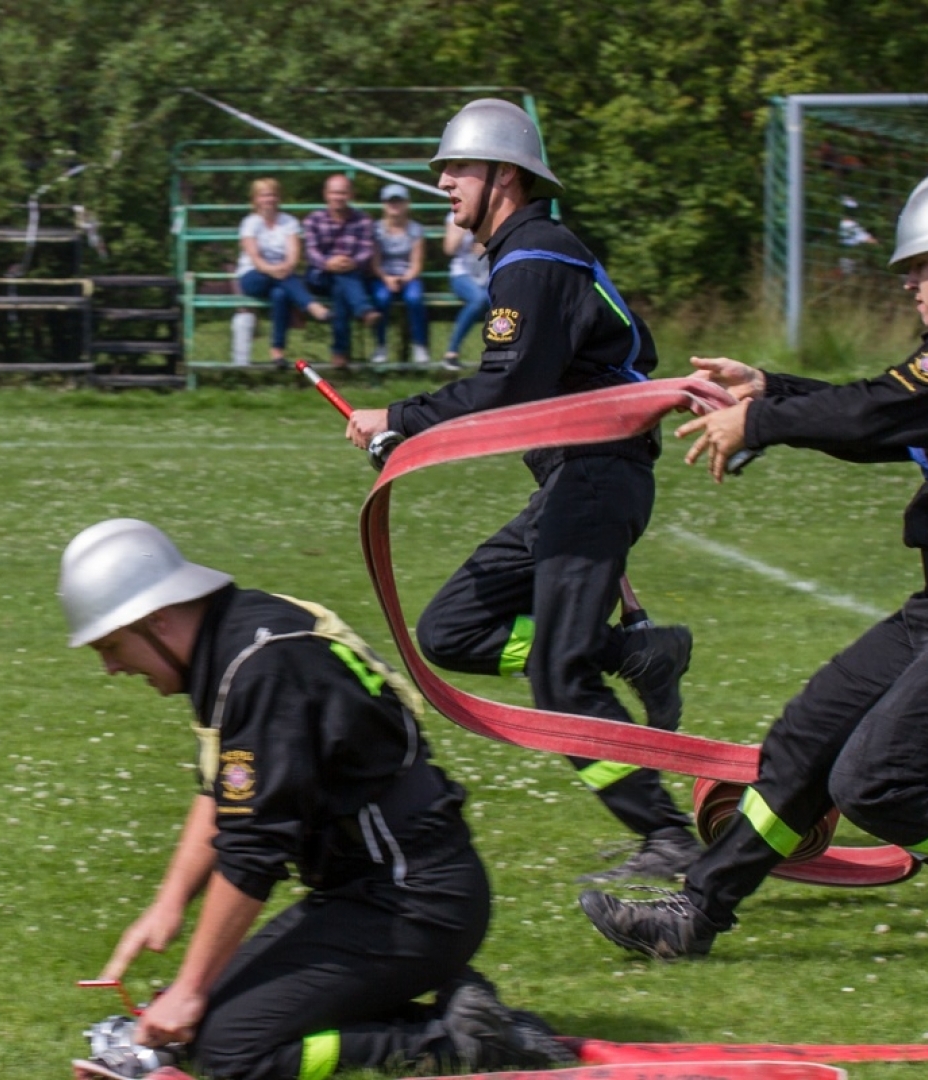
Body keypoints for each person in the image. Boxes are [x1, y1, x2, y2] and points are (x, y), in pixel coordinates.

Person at [580, 168, 928, 980]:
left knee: (877, 781)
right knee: (806, 739)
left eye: (916, 270)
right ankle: (695, 912)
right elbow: (888, 413)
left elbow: (874, 415)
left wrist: (762, 417)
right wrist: (775, 390)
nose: (908, 288)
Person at [59, 519, 570, 1080]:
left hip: (415, 903)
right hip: (376, 894)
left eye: (112, 645)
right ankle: (460, 1010)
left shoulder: (263, 669)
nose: (111, 667)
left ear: (156, 619)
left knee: (231, 1050)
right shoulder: (238, 635)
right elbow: (222, 789)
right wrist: (170, 903)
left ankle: (454, 1042)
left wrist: (190, 989)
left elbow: (253, 850)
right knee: (204, 1019)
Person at [345, 98, 700, 885]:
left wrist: (401, 419)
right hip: (576, 481)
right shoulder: (528, 255)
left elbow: (511, 388)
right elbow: (543, 398)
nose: (441, 182)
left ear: (504, 175)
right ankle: (633, 652)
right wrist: (412, 435)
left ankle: (668, 838)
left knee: (557, 676)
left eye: (457, 167)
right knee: (451, 631)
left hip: (598, 477)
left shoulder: (535, 255)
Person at [234, 178, 330, 368]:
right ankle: (311, 305)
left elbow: (293, 256)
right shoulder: (249, 223)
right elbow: (255, 259)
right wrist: (274, 270)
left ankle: (277, 352)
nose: (268, 199)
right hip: (253, 276)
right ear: (255, 199)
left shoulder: (289, 222)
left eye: (272, 194)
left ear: (278, 198)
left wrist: (284, 268)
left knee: (280, 294)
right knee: (285, 282)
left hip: (282, 275)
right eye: (263, 195)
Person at [303, 174, 379, 368]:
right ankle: (363, 309)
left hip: (350, 274)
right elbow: (311, 252)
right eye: (334, 192)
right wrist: (328, 263)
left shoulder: (363, 220)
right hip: (319, 276)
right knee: (342, 279)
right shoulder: (314, 219)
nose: (338, 196)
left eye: (343, 192)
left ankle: (339, 353)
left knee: (340, 290)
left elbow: (367, 250)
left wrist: (351, 262)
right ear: (326, 194)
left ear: (351, 194)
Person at [368, 183, 430, 365]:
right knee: (381, 299)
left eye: (398, 201)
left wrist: (404, 279)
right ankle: (380, 346)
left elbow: (416, 263)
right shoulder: (376, 229)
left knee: (414, 299)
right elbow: (375, 262)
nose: (394, 205)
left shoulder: (416, 229)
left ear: (406, 204)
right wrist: (386, 278)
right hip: (383, 276)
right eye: (390, 201)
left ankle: (420, 345)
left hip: (408, 276)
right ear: (384, 204)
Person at [441, 210, 490, 372]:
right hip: (462, 274)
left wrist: (486, 245)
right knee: (479, 299)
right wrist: (465, 225)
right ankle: (451, 352)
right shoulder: (455, 217)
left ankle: (502, 354)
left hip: (487, 274)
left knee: (504, 302)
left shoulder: (493, 214)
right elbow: (449, 249)